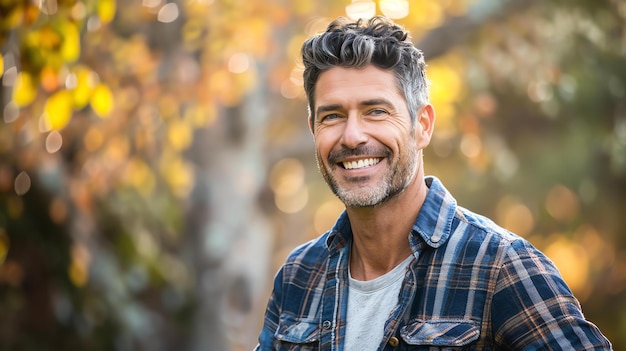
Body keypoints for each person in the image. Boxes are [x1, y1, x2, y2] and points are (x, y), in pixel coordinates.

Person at [255, 16, 612, 350]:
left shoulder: (500, 266)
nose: (352, 136)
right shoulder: (299, 275)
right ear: (313, 129)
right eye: (332, 116)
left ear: (422, 125)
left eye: (375, 111)